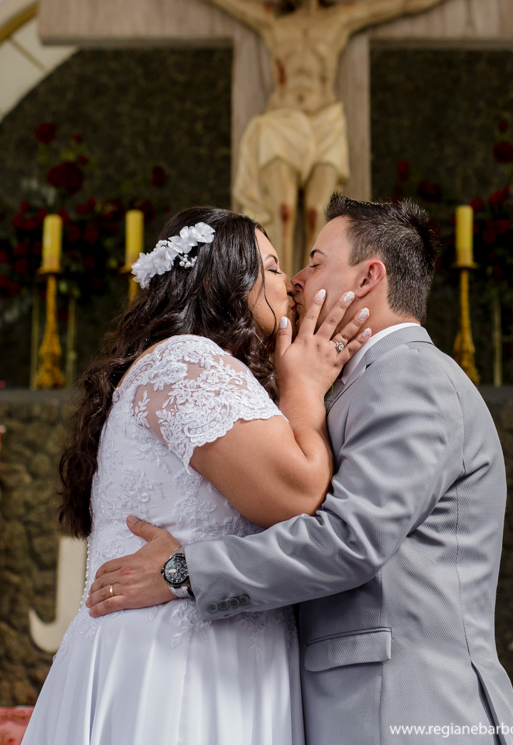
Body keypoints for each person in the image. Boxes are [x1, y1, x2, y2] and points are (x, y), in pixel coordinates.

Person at [89, 194, 513, 745]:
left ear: (368, 278)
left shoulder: (411, 376)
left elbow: (348, 538)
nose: (296, 279)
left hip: (406, 706)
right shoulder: (351, 382)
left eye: (315, 262)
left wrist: (183, 571)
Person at [22, 205, 370, 745]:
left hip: (214, 655)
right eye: (272, 267)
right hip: (176, 668)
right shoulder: (188, 362)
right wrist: (304, 387)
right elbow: (299, 493)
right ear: (215, 280)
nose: (289, 285)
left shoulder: (191, 366)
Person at [122, 0, 503, 271]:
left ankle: (312, 290)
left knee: (317, 212)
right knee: (283, 211)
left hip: (325, 121)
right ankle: (278, 288)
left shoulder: (339, 19)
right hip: (282, 120)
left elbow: (404, 2)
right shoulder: (272, 20)